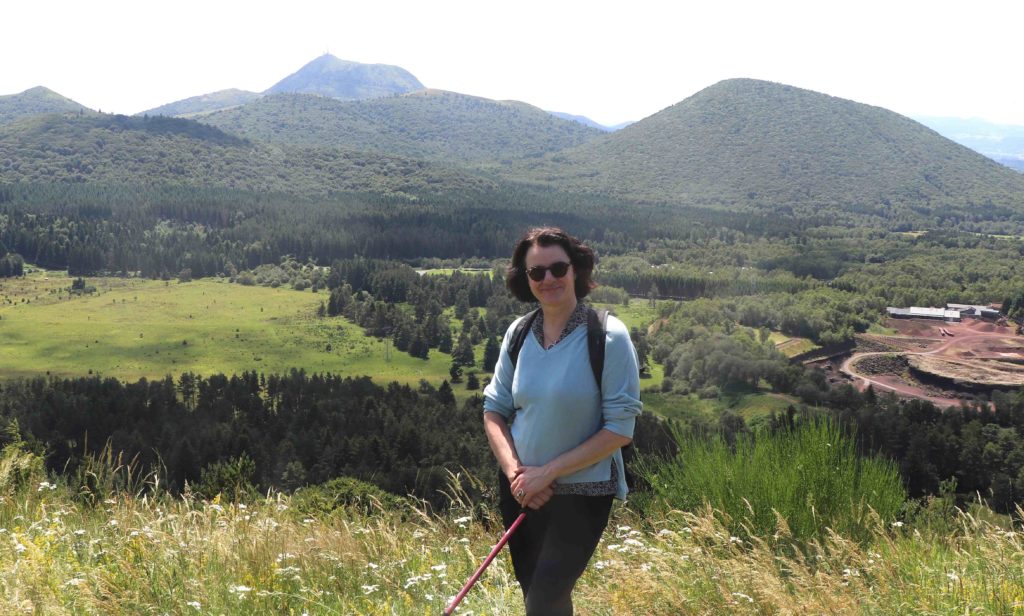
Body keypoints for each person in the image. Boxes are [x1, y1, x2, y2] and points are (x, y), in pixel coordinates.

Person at [482, 227, 642, 615]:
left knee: (544, 598)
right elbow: (494, 411)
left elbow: (620, 430)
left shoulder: (608, 336)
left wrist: (546, 474)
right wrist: (518, 476)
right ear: (525, 279)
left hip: (583, 495)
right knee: (539, 597)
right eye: (536, 273)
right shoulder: (518, 334)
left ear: (577, 270)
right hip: (521, 492)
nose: (548, 279)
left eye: (558, 268)